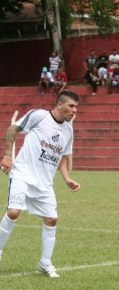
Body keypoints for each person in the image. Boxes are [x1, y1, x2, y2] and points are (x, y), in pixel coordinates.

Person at [0, 90, 81, 278]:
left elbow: (63, 156)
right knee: (13, 212)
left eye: (76, 107)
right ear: (60, 104)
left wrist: (67, 178)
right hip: (22, 173)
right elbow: (13, 129)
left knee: (52, 219)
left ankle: (45, 263)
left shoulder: (68, 130)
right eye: (71, 106)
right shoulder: (38, 116)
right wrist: (7, 155)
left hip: (44, 182)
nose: (74, 110)